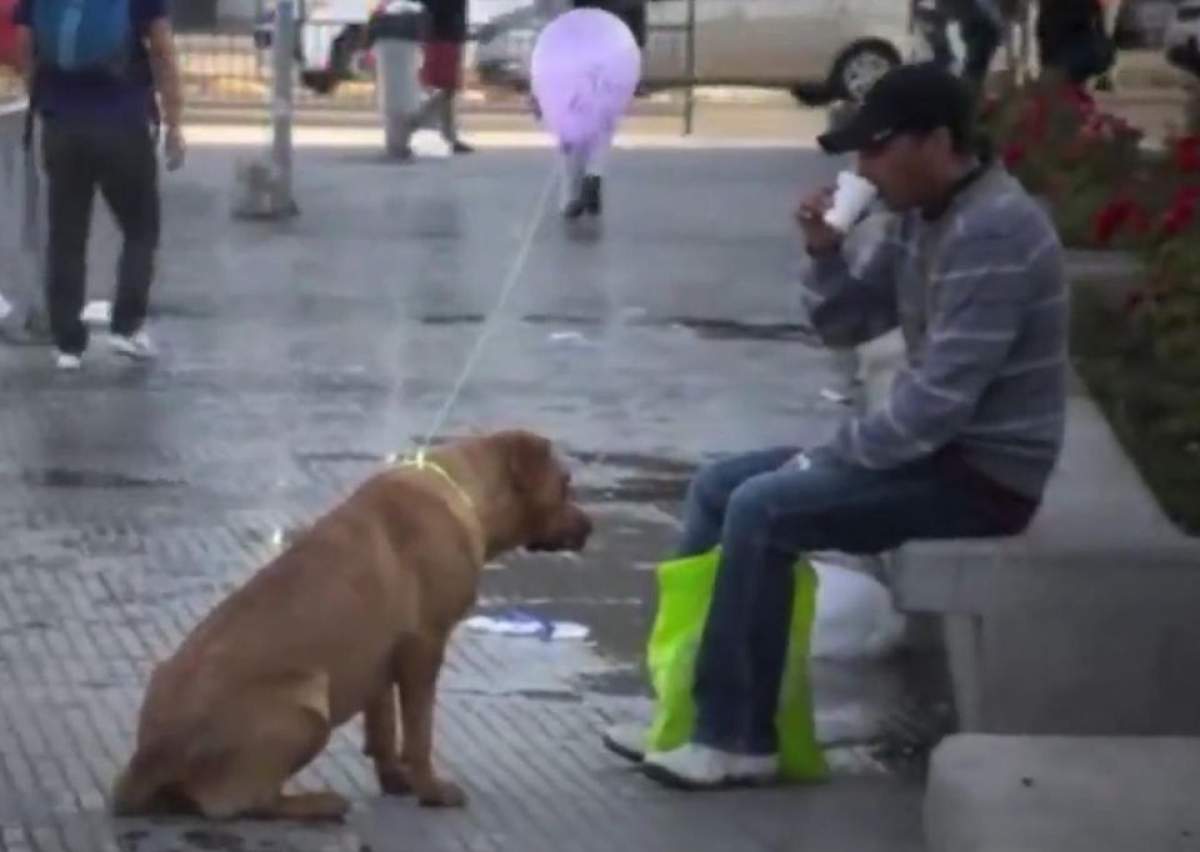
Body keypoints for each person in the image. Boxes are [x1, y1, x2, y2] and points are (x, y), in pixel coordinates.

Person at [608, 63, 1067, 789]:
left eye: (877, 149)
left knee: (765, 505)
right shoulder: (917, 218)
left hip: (984, 474)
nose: (864, 167)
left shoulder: (995, 232)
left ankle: (737, 738)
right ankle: (686, 716)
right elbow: (848, 324)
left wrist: (825, 460)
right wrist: (824, 254)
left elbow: (939, 404)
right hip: (934, 455)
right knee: (719, 487)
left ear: (938, 141)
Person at [13, 0, 185, 370]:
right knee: (140, 227)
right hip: (122, 124)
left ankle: (67, 344)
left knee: (66, 234)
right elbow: (163, 52)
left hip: (61, 126)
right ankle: (127, 326)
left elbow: (24, 44)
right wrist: (174, 123)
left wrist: (41, 94)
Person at [396, 0, 473, 157]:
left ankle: (449, 136)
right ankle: (412, 124)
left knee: (448, 90)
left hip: (448, 36)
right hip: (441, 36)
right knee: (444, 89)